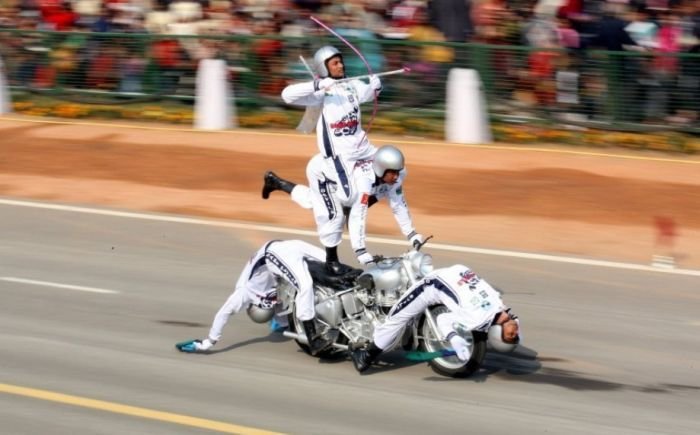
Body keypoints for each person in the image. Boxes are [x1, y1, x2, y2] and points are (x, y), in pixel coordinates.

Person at [276, 45, 382, 271]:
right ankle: (281, 184)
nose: (340, 65)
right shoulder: (321, 93)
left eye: (340, 61)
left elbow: (364, 95)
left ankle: (349, 207)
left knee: (394, 170)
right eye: (334, 63)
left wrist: (375, 87)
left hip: (362, 149)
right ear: (324, 68)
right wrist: (317, 85)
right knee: (342, 201)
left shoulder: (351, 84)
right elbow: (287, 95)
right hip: (337, 157)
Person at [176, 239, 346, 356]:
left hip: (273, 253)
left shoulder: (244, 292)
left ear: (255, 304)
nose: (273, 304)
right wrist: (282, 324)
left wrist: (208, 342)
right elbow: (283, 312)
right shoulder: (267, 304)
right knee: (334, 265)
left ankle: (313, 339)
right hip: (288, 248)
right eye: (272, 307)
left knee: (304, 285)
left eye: (269, 306)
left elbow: (223, 314)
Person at [262, 145, 424, 266]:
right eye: (393, 172)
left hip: (345, 183)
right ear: (381, 169)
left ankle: (275, 182)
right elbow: (358, 215)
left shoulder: (395, 177)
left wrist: (412, 234)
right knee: (334, 216)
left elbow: (398, 205)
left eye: (398, 171)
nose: (396, 176)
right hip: (322, 173)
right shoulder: (364, 182)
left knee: (313, 201)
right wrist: (360, 250)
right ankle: (332, 263)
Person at [351, 264, 521, 373]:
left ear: (497, 334)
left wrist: (454, 338)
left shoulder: (478, 318)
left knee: (395, 318)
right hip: (447, 275)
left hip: (431, 286)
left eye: (511, 336)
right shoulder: (501, 308)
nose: (515, 332)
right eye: (516, 335)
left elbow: (443, 320)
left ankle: (365, 357)